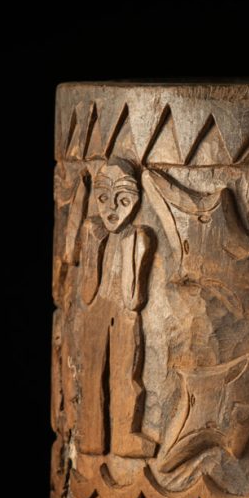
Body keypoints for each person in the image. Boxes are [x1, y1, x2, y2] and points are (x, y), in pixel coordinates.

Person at [77, 158, 157, 458]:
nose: (111, 209)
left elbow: (134, 298)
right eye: (103, 199)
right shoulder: (92, 230)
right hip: (95, 313)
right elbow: (86, 290)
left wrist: (136, 248)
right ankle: (90, 435)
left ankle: (124, 438)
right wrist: (92, 240)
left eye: (123, 200)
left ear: (135, 201)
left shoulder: (138, 237)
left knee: (125, 375)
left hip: (124, 316)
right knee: (91, 371)